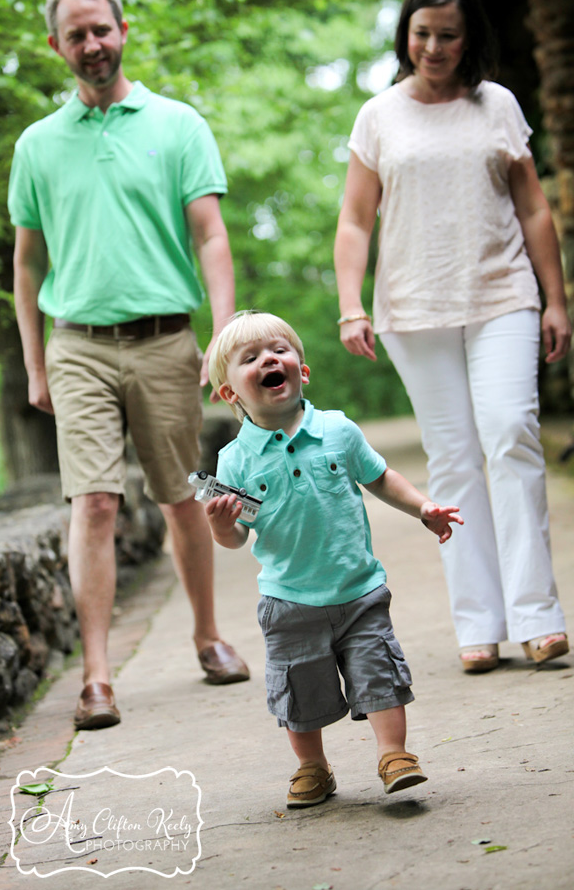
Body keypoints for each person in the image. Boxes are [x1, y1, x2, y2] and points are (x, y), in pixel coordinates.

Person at [8, 0, 249, 730]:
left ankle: (208, 636)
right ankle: (98, 676)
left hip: (165, 338)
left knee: (183, 494)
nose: (92, 44)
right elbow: (26, 265)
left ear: (123, 31)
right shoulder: (37, 145)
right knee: (96, 501)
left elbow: (209, 235)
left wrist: (225, 332)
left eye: (101, 29)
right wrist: (36, 367)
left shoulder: (177, 125)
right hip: (77, 342)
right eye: (76, 35)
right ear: (57, 47)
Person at [334, 0, 571, 674]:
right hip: (412, 309)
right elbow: (355, 219)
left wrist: (554, 301)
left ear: (470, 41)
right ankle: (479, 625)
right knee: (454, 460)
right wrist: (352, 304)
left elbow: (533, 208)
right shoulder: (379, 115)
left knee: (510, 434)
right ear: (405, 36)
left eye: (448, 36)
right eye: (422, 34)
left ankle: (537, 617)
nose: (433, 49)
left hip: (502, 297)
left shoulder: (496, 104)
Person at [203, 311, 463, 807]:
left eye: (279, 350)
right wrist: (220, 523)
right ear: (230, 394)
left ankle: (394, 755)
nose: (269, 360)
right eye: (251, 358)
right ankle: (313, 767)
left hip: (358, 588)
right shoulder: (234, 460)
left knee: (379, 673)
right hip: (289, 600)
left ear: (302, 370)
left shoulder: (337, 430)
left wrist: (423, 508)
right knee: (300, 691)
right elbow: (236, 536)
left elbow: (380, 476)